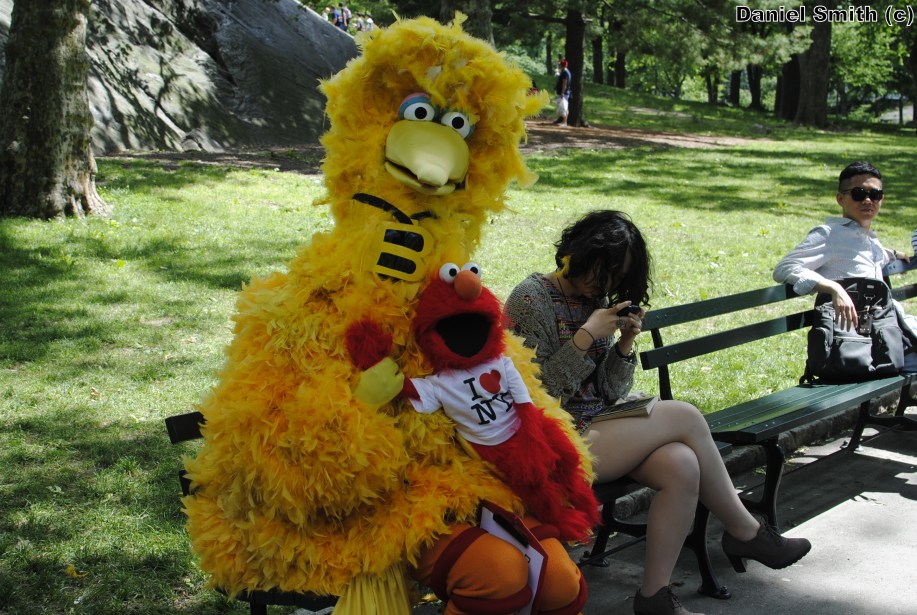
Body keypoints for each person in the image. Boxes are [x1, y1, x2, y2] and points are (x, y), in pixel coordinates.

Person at [504, 210, 812, 615]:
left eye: (617, 277)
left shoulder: (596, 301)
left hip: (597, 425)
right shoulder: (531, 299)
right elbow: (535, 395)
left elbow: (610, 391)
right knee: (685, 416)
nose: (606, 285)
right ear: (579, 252)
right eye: (603, 271)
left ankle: (654, 596)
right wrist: (585, 338)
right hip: (549, 439)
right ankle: (745, 531)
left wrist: (623, 345)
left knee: (681, 464)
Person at [774, 161, 909, 332]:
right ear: (840, 199)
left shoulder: (867, 238)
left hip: (884, 326)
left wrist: (894, 254)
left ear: (881, 199)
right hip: (856, 336)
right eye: (858, 194)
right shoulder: (829, 234)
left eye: (875, 194)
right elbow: (785, 268)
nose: (868, 200)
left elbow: (867, 256)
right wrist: (833, 287)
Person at [553, 59, 571, 126]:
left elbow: (564, 83)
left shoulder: (565, 73)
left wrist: (562, 92)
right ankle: (564, 121)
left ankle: (564, 122)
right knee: (565, 107)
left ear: (562, 65)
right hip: (565, 92)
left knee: (564, 107)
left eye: (560, 65)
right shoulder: (566, 72)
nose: (559, 66)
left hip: (564, 93)